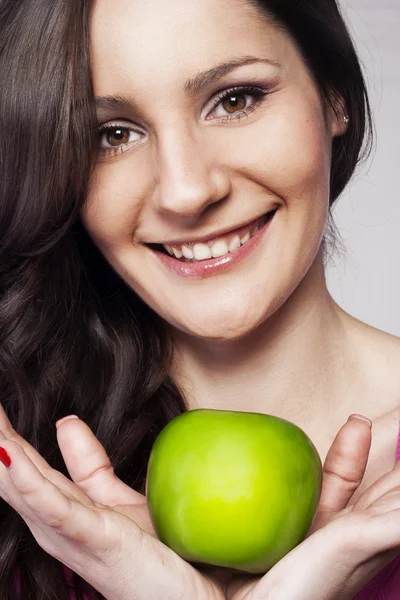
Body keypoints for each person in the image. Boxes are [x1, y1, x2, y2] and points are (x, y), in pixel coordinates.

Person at [0, 0, 399, 598]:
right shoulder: (26, 469)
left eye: (235, 100)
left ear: (335, 95)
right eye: (111, 135)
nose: (186, 191)